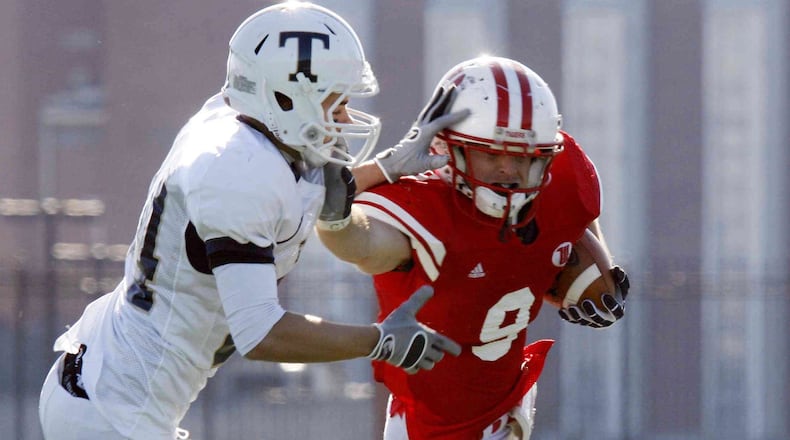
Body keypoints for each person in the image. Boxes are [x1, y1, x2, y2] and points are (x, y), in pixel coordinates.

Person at [37, 3, 464, 439]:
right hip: (113, 414)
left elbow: (283, 197)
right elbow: (262, 334)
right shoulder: (237, 172)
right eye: (336, 103)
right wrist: (379, 341)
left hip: (109, 394)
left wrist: (386, 167)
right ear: (285, 97)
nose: (345, 119)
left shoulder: (251, 130)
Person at [317, 56, 631, 439]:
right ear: (451, 150)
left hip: (510, 403)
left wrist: (596, 263)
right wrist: (337, 214)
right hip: (433, 429)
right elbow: (359, 242)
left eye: (522, 158)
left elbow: (577, 213)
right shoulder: (424, 208)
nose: (509, 171)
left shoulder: (560, 180)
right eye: (491, 154)